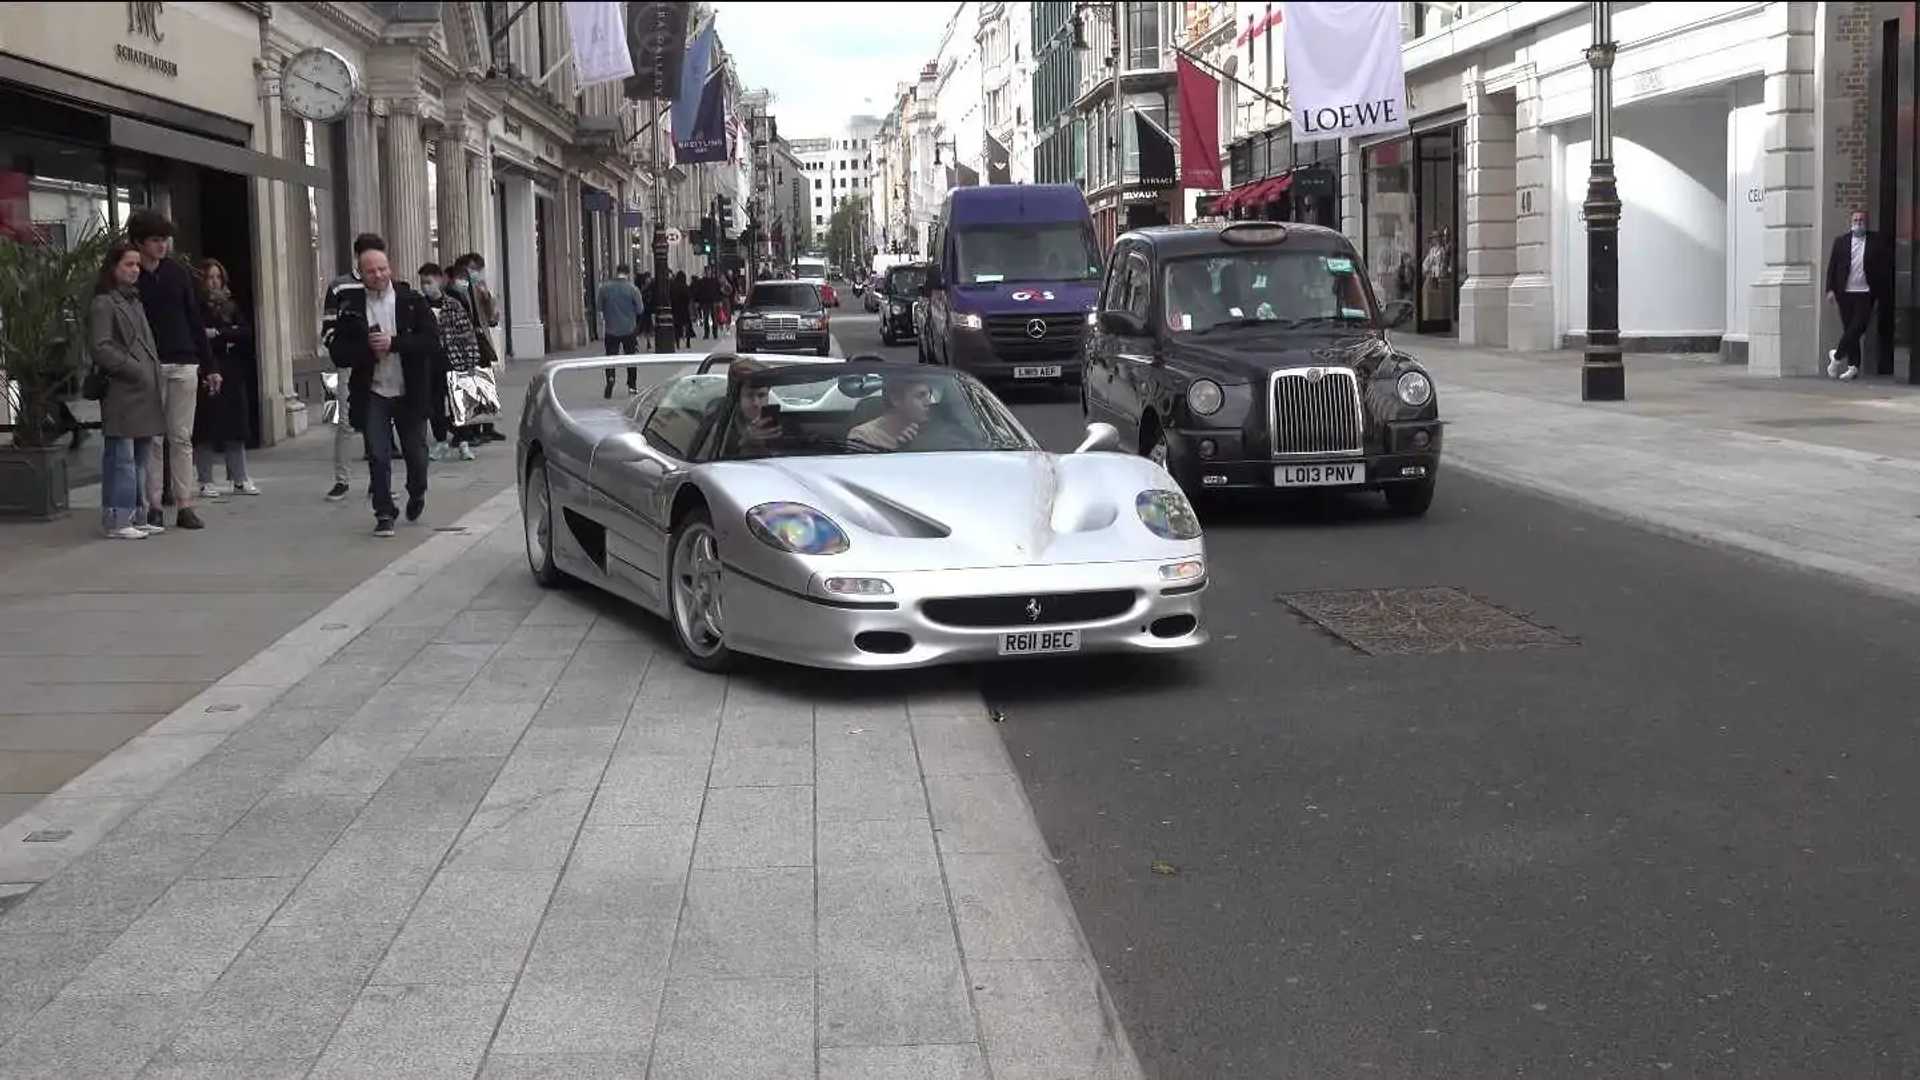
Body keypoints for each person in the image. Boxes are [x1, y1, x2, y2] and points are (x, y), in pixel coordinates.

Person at [326, 246, 440, 537]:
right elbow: (338, 353)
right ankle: (384, 511)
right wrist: (367, 349)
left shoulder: (411, 301)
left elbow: (431, 342)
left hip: (408, 391)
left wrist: (395, 343)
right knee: (378, 454)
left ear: (390, 268)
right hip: (373, 391)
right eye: (370, 271)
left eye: (382, 269)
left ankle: (416, 492)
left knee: (416, 454)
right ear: (360, 274)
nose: (377, 275)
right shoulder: (351, 306)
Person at [126, 209, 217, 530]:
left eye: (165, 239)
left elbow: (195, 319)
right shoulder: (131, 276)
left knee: (181, 437)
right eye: (155, 240)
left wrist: (210, 366)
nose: (162, 245)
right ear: (139, 242)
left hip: (184, 362)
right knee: (152, 438)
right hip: (149, 365)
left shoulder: (178, 273)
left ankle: (184, 504)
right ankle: (152, 505)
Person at [88, 241, 167, 539]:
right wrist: (135, 369)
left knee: (140, 458)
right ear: (113, 268)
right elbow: (101, 347)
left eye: (136, 265)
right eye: (128, 265)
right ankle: (118, 519)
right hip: (122, 391)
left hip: (143, 391)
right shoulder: (104, 303)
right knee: (121, 458)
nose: (135, 270)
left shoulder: (134, 300)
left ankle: (136, 514)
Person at [320, 232, 386, 500]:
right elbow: (327, 328)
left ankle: (378, 478)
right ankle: (342, 479)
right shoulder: (340, 287)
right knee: (346, 422)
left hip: (382, 362)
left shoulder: (387, 285)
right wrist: (342, 350)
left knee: (378, 421)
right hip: (350, 364)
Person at [191, 258, 257, 498]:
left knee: (236, 426)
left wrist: (220, 334)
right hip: (207, 369)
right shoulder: (196, 306)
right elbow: (199, 335)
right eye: (210, 277)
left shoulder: (231, 305)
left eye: (218, 277)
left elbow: (245, 333)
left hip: (232, 371)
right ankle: (206, 480)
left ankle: (239, 477)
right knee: (205, 426)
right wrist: (226, 337)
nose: (214, 282)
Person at [419, 262, 483, 461]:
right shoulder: (419, 306)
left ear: (439, 281)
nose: (425, 286)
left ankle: (463, 442)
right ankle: (440, 442)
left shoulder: (453, 305)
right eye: (422, 283)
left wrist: (471, 362)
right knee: (434, 405)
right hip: (429, 362)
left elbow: (467, 335)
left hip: (453, 360)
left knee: (458, 403)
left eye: (428, 282)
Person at [1824, 209, 1894, 381]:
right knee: (1850, 329)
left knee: (1858, 327)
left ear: (1866, 222)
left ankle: (1837, 356)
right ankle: (1853, 366)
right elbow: (1832, 267)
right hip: (1844, 293)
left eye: (1861, 219)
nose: (1858, 222)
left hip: (1865, 292)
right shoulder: (1841, 242)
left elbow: (1884, 265)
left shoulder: (1876, 241)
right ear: (1851, 221)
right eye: (1855, 219)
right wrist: (1830, 290)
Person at [848, 376, 937, 451]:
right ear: (896, 400)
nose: (929, 402)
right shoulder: (862, 437)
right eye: (920, 396)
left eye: (929, 396)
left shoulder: (932, 432)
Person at [596, 263, 645, 397]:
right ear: (628, 273)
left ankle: (611, 378)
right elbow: (640, 309)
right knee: (630, 357)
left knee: (611, 356)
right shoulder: (633, 289)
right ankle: (632, 385)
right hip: (629, 329)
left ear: (616, 272)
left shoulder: (604, 288)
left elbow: (599, 308)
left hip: (611, 329)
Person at [671, 270, 694, 348]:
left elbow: (671, 297)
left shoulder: (674, 287)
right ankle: (688, 342)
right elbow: (689, 297)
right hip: (684, 309)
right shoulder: (685, 287)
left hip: (676, 309)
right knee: (687, 325)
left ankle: (677, 343)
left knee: (677, 326)